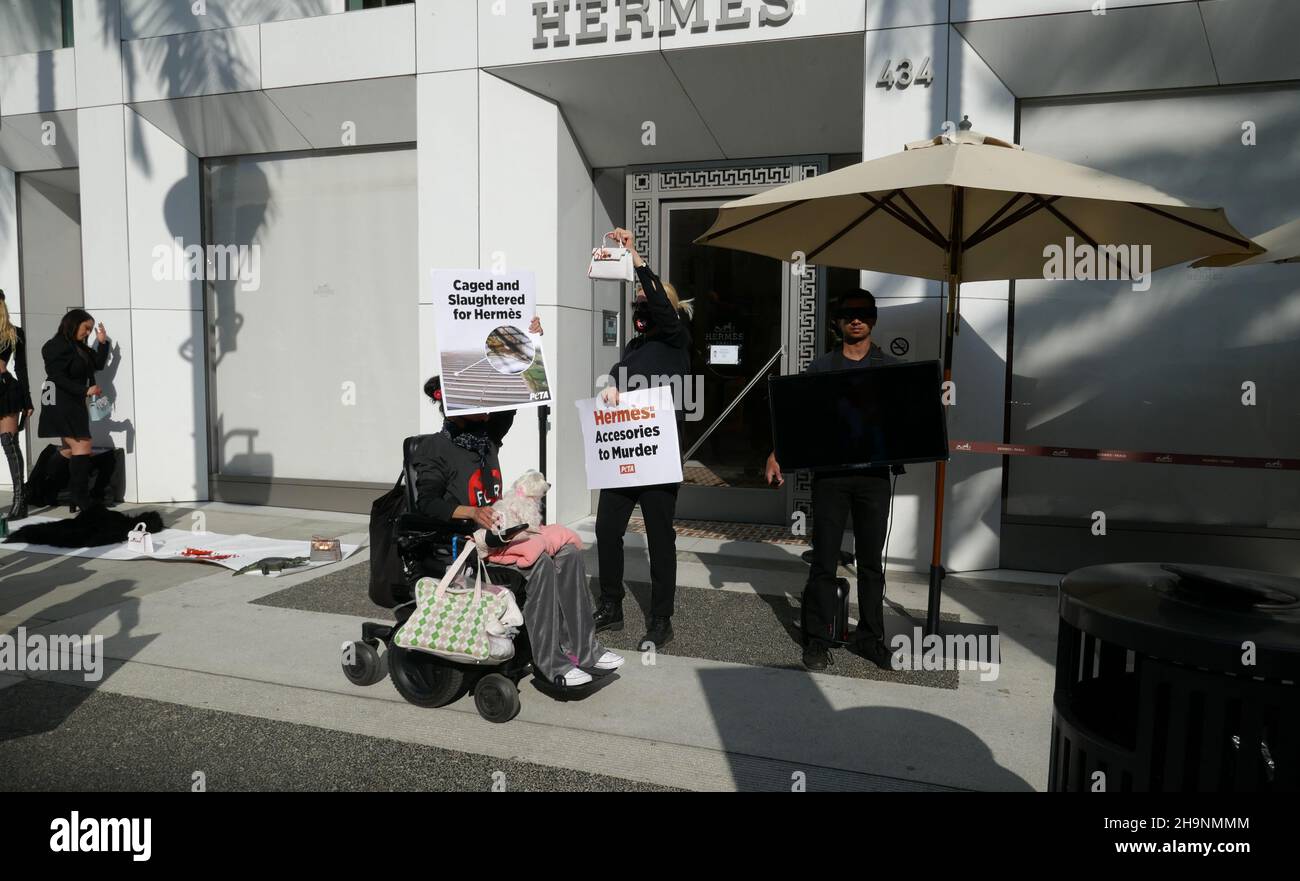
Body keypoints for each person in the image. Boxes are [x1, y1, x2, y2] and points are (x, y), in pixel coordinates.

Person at [411, 317, 624, 689]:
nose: (487, 404)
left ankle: (583, 650)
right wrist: (470, 511)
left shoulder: (485, 438)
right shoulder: (434, 448)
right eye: (477, 397)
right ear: (454, 405)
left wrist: (529, 347)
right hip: (465, 544)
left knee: (570, 554)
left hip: (500, 533)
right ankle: (551, 663)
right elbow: (425, 504)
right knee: (540, 563)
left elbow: (515, 396)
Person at [765, 290, 900, 672]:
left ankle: (871, 638)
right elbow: (800, 420)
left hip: (874, 476)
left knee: (872, 563)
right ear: (837, 322)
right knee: (824, 561)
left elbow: (903, 422)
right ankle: (817, 639)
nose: (855, 320)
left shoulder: (889, 368)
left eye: (863, 314)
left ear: (872, 319)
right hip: (831, 478)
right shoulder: (820, 369)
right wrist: (777, 453)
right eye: (848, 314)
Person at [592, 227, 692, 650]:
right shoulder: (633, 346)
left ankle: (660, 618)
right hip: (625, 453)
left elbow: (659, 307)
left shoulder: (676, 337)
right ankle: (611, 606)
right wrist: (610, 392)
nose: (640, 308)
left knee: (658, 534)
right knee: (606, 527)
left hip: (658, 453)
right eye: (636, 304)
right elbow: (619, 387)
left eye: (646, 303)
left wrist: (635, 259)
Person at [39, 310, 110, 514]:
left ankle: (43, 486)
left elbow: (96, 365)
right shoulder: (55, 346)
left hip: (74, 402)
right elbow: (56, 377)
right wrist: (85, 390)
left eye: (90, 329)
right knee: (83, 445)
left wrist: (102, 343)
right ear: (73, 323)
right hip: (60, 402)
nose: (87, 332)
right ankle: (80, 496)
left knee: (70, 450)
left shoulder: (80, 347)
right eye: (85, 328)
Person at [0, 291, 34, 520]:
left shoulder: (13, 333)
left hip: (4, 390)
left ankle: (20, 501)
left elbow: (21, 368)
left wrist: (27, 400)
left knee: (9, 443)